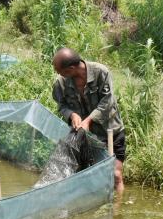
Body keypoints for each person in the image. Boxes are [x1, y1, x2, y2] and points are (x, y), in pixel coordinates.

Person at [52, 47, 126, 193]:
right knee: (83, 176)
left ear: (71, 69)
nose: (58, 75)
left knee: (115, 175)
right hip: (84, 137)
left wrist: (88, 121)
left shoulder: (100, 73)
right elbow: (62, 105)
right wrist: (72, 114)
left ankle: (116, 214)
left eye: (60, 71)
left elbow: (107, 102)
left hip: (110, 132)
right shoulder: (60, 83)